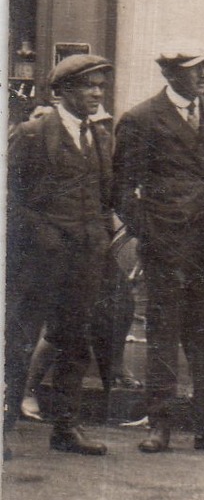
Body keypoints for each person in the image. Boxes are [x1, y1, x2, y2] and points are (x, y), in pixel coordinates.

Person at [112, 45, 204, 453]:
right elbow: (120, 188)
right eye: (194, 68)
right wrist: (150, 232)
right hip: (167, 246)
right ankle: (161, 425)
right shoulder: (140, 119)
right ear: (169, 74)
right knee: (164, 336)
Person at [4, 54, 120, 457]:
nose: (96, 93)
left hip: (85, 260)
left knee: (74, 341)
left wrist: (101, 234)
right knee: (18, 341)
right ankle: (2, 427)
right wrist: (45, 236)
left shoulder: (100, 136)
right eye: (88, 86)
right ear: (64, 91)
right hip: (40, 262)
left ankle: (67, 429)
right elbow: (11, 201)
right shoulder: (33, 133)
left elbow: (105, 197)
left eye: (100, 87)